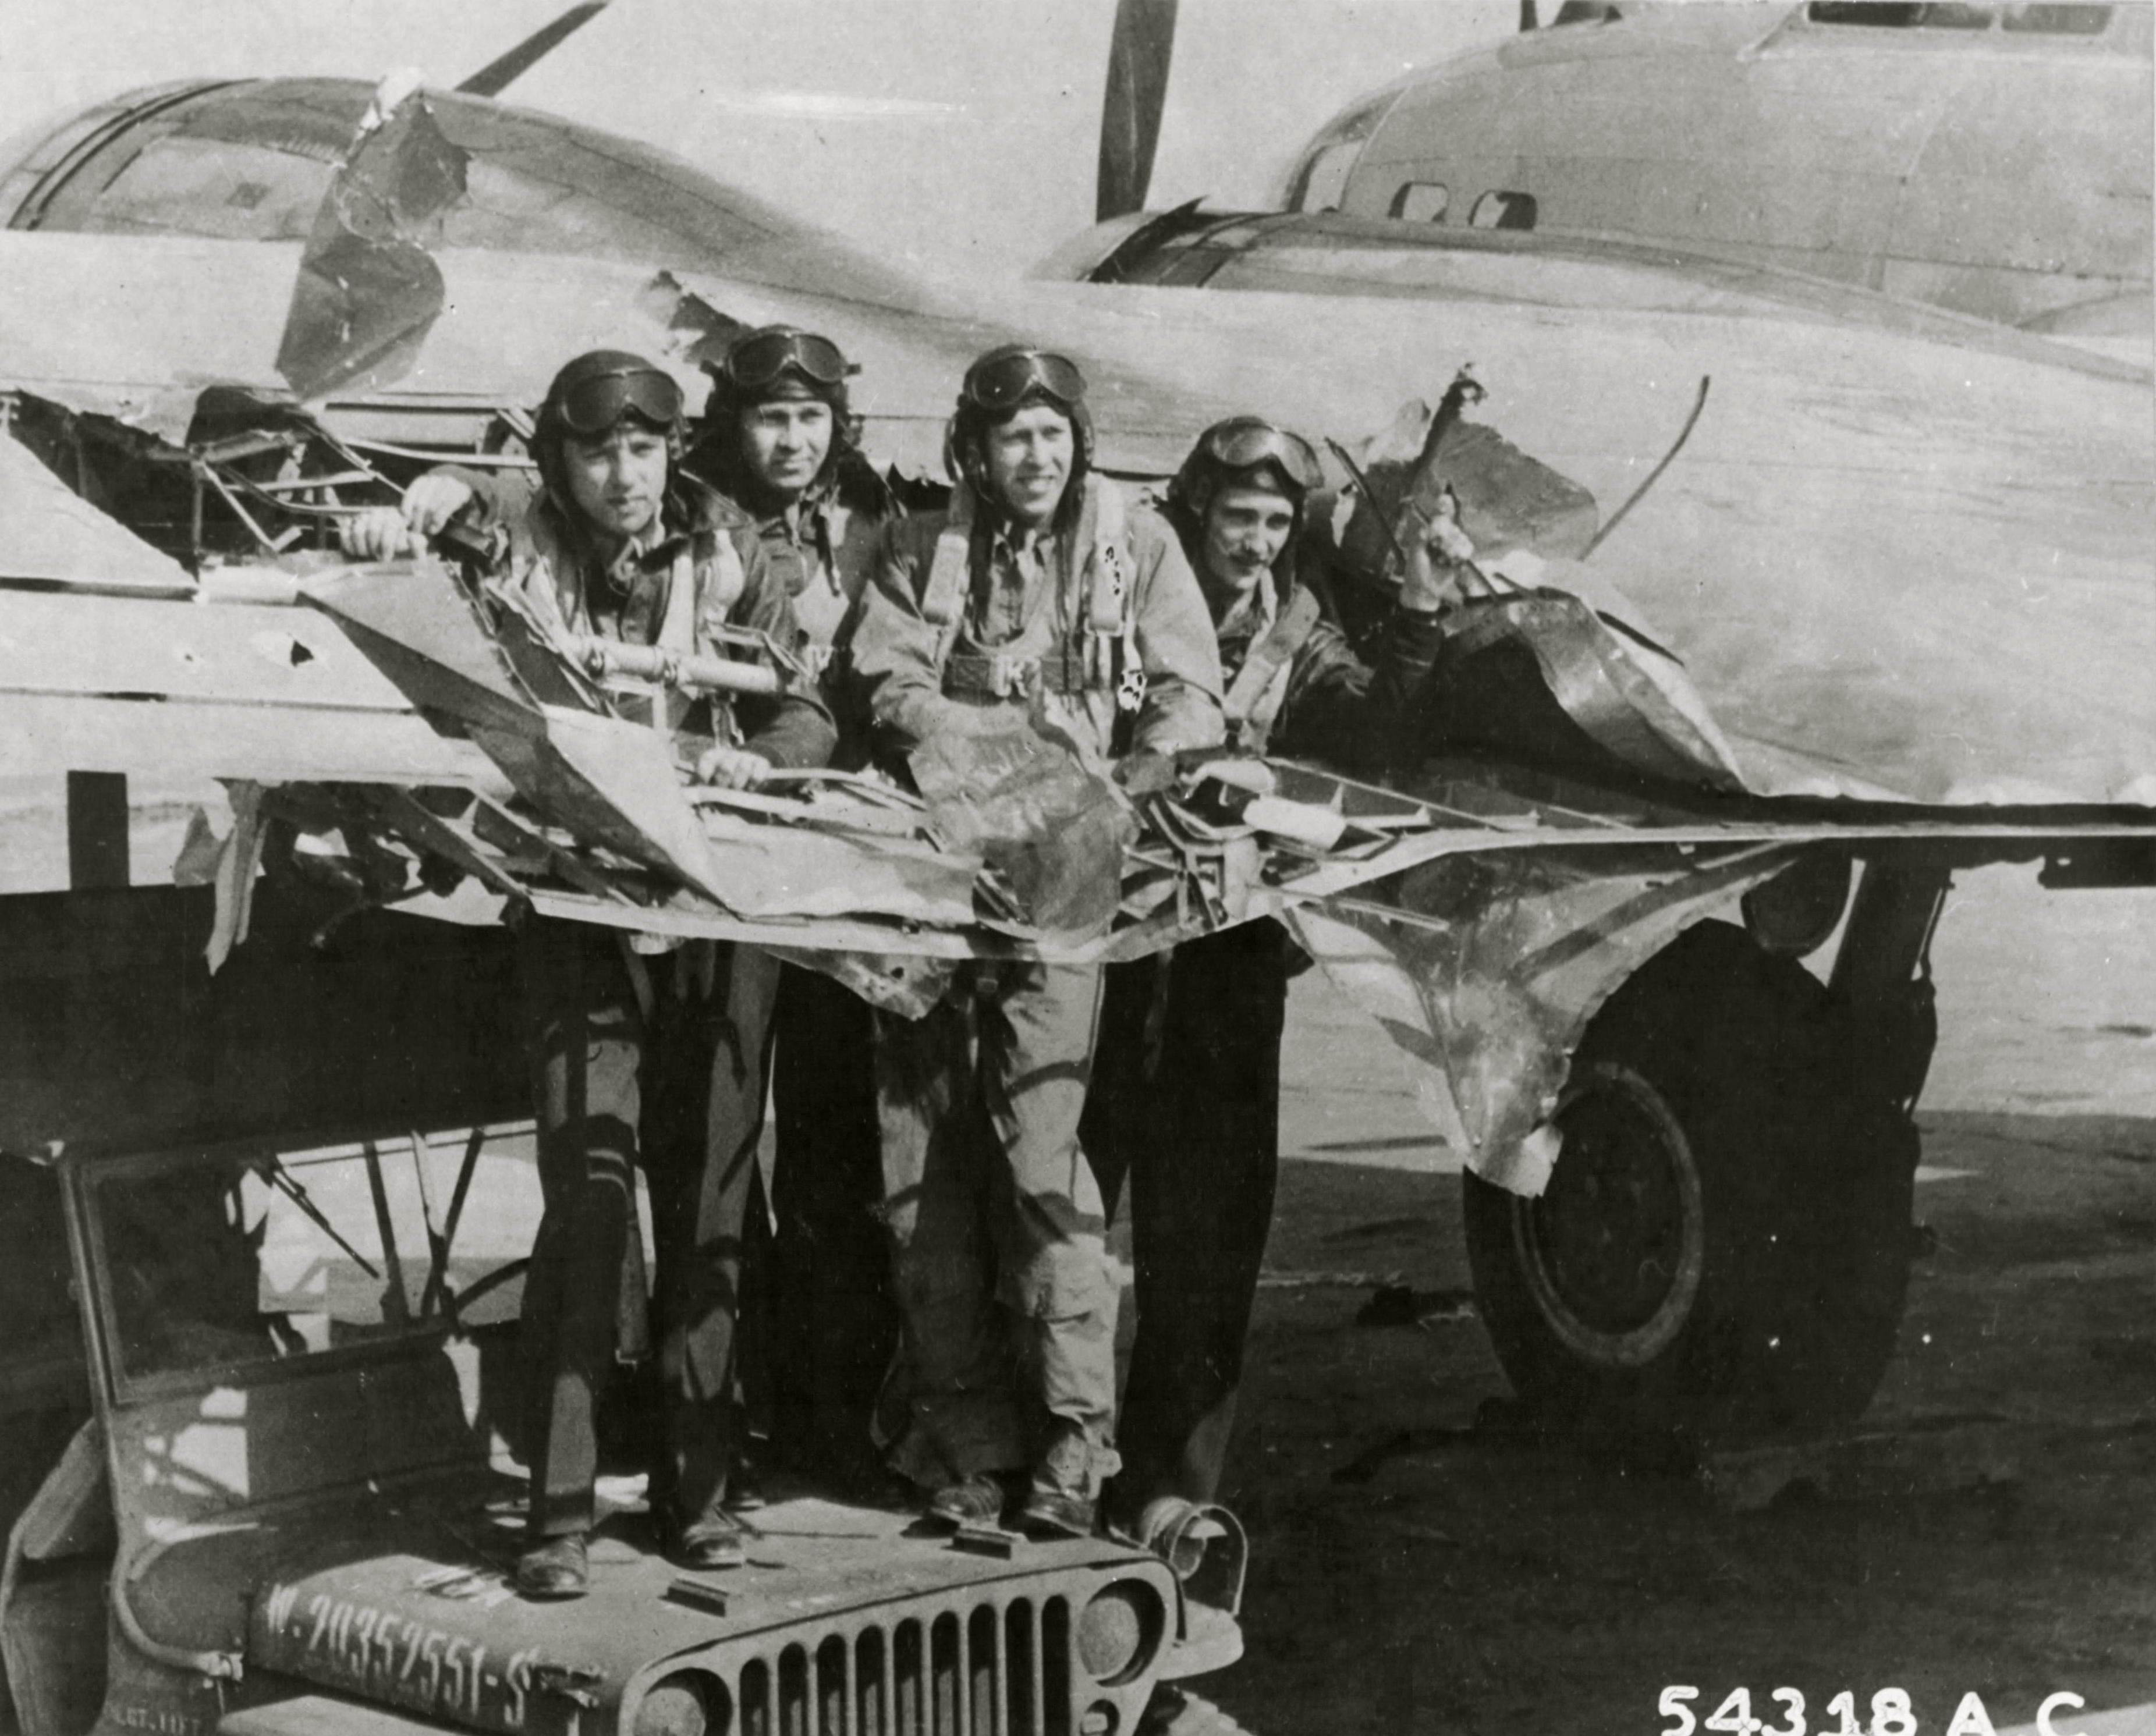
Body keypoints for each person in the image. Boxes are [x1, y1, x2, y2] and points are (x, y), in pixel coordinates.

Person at [346, 350, 835, 1597]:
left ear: (674, 453)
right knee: (588, 1205)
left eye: (644, 450)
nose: (626, 476)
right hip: (579, 918)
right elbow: (453, 504)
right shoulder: (521, 532)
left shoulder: (738, 555)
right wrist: (415, 502)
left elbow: (805, 709)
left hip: (719, 921)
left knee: (713, 1207)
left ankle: (701, 1494)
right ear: (560, 460)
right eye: (599, 453)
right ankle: (557, 1511)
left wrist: (758, 765)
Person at [845, 345, 1224, 1536]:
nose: (1036, 458)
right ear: (976, 446)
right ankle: (966, 1444)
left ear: (1080, 445)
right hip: (932, 880)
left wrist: (1143, 763)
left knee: (1038, 1159)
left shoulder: (1136, 546)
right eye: (1014, 439)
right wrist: (996, 737)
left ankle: (1072, 1443)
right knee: (919, 1179)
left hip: (1062, 880)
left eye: (1054, 437)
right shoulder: (921, 547)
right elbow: (884, 681)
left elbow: (1189, 693)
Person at [1080, 415, 1459, 1535]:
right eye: (1236, 517)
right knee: (1065, 1234)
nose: (1253, 542)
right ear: (1193, 512)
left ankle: (1171, 1498)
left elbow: (1372, 733)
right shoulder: (1121, 595)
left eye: (1275, 523)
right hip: (1101, 965)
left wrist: (1423, 607)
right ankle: (1052, 1470)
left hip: (1223, 979)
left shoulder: (1297, 630)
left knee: (1208, 1250)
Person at [687, 325, 903, 1494]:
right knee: (718, 1148)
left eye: (813, 416)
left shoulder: (872, 517)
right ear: (738, 420)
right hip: (722, 860)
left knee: (836, 1149)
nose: (793, 437)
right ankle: (710, 1415)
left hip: (834, 859)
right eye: (772, 416)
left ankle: (830, 1417)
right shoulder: (696, 517)